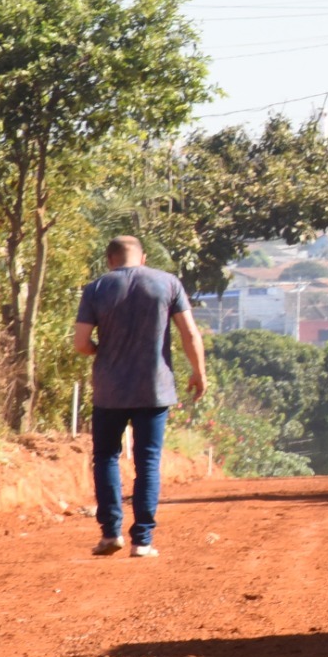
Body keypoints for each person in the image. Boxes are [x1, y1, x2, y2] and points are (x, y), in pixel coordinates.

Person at [71, 236, 206, 558]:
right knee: (147, 460)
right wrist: (199, 372)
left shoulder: (97, 288)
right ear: (143, 258)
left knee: (105, 457)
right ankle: (142, 540)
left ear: (110, 260)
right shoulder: (167, 283)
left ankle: (110, 534)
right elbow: (189, 332)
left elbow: (80, 343)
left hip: (109, 389)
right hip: (154, 389)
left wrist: (101, 352)